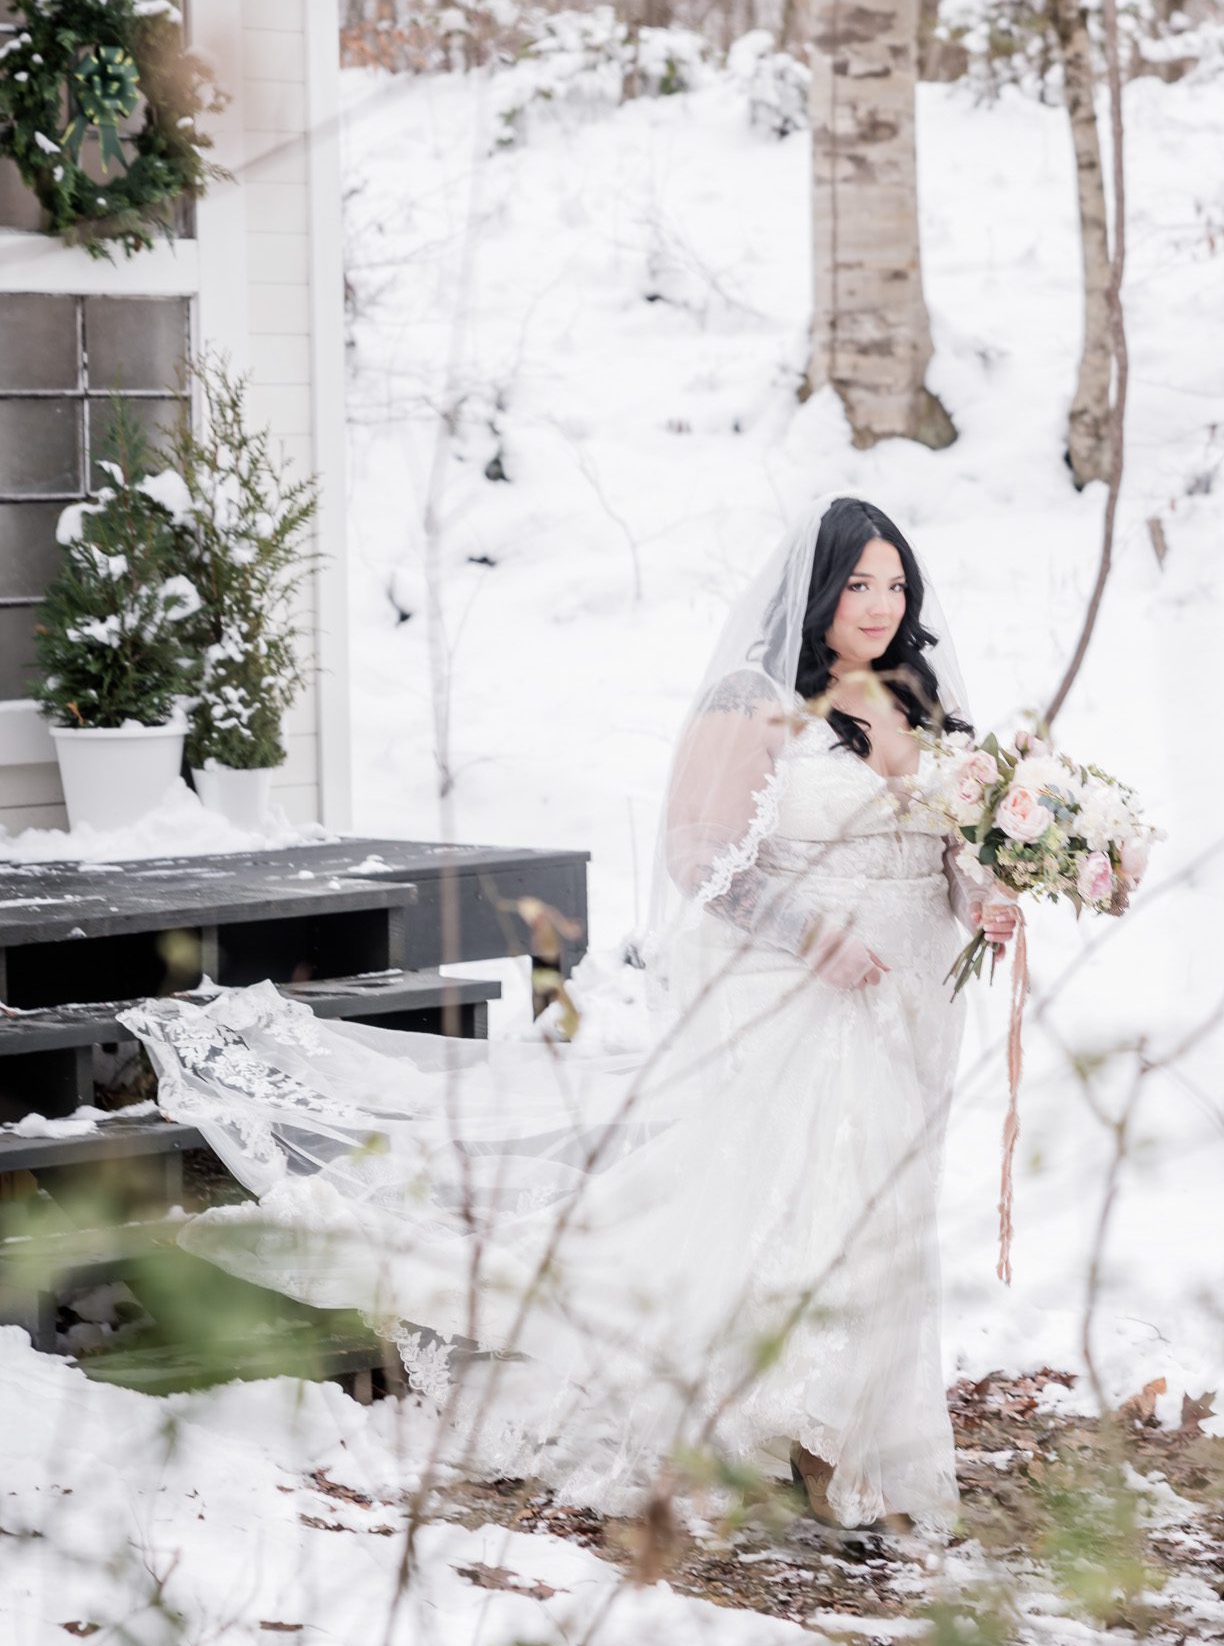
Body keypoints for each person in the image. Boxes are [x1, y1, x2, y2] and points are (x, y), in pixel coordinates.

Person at [124, 497, 1016, 1534]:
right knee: (818, 1206)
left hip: (912, 997)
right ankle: (823, 1442)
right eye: (858, 582)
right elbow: (700, 859)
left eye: (895, 584)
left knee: (888, 1208)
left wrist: (984, 896)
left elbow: (950, 848)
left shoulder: (921, 698)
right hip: (801, 993)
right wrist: (814, 936)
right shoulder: (758, 701)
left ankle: (852, 1419)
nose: (880, 604)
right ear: (816, 591)